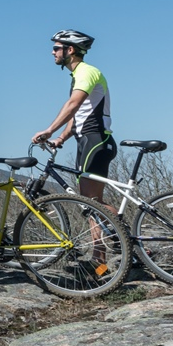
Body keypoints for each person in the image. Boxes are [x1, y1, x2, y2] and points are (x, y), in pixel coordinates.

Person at [31, 30, 116, 216]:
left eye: (56, 48)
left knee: (92, 202)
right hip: (87, 140)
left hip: (95, 139)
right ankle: (107, 237)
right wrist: (61, 138)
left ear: (70, 50)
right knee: (89, 203)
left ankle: (127, 234)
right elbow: (78, 114)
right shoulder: (78, 75)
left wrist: (49, 130)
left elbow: (73, 105)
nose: (52, 52)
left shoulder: (86, 72)